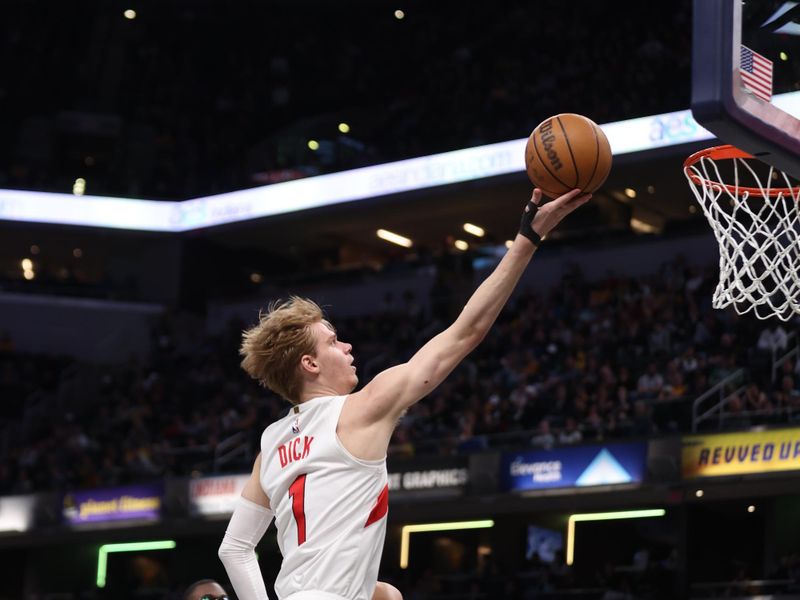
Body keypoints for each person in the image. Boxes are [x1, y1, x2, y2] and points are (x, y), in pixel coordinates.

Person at [217, 188, 592, 600]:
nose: (347, 347)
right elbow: (466, 333)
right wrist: (528, 238)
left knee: (388, 595)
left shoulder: (270, 445)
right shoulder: (361, 408)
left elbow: (235, 549)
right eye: (333, 342)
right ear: (310, 364)